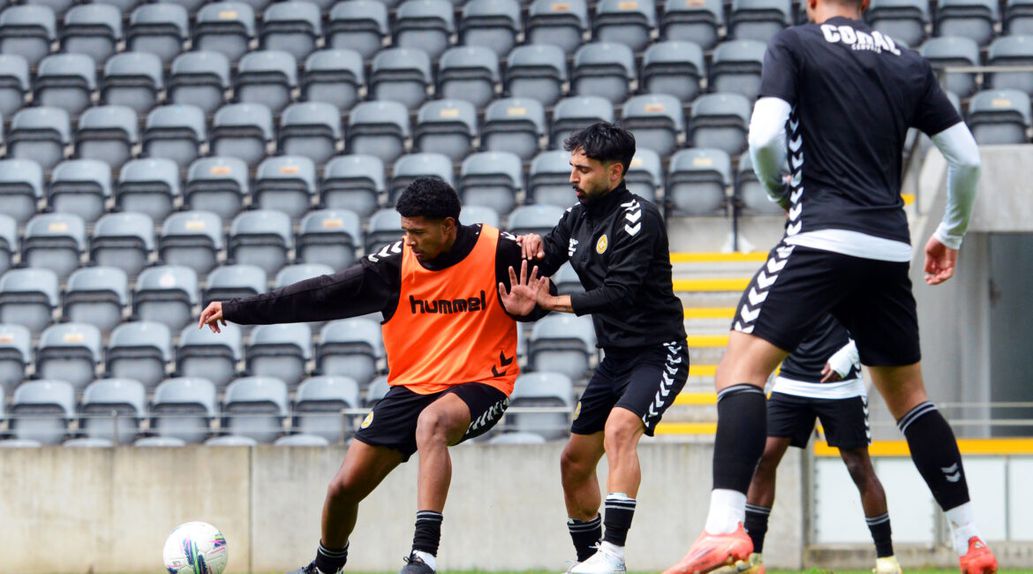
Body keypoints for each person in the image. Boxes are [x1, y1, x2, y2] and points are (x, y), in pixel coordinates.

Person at [661, 0, 998, 570]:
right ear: (867, 2)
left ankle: (723, 528)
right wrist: (950, 234)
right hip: (890, 245)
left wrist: (779, 191)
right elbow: (966, 158)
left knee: (738, 370)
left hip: (821, 234)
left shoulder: (795, 44)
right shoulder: (909, 61)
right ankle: (971, 538)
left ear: (811, 1)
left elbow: (766, 135)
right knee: (910, 398)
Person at [198, 178, 549, 574]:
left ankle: (423, 557)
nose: (409, 240)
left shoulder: (498, 249)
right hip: (413, 387)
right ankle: (325, 567)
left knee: (431, 422)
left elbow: (545, 284)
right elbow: (320, 294)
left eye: (417, 231)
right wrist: (236, 308)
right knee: (342, 489)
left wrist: (532, 299)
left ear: (448, 226)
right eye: (404, 230)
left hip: (485, 382)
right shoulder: (393, 266)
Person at [511, 122, 690, 574]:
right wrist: (527, 248)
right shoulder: (577, 216)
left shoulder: (638, 217)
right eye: (571, 168)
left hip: (658, 352)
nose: (573, 178)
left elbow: (620, 291)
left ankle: (612, 556)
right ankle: (590, 561)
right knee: (573, 463)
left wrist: (552, 302)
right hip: (614, 360)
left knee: (618, 430)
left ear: (615, 172)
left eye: (583, 170)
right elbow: (543, 259)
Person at [743, 315, 900, 574]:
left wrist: (849, 356)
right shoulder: (787, 273)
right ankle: (752, 558)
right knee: (763, 459)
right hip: (791, 380)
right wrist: (766, 370)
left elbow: (878, 319)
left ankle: (887, 560)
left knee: (858, 467)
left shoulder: (853, 274)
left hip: (840, 382)